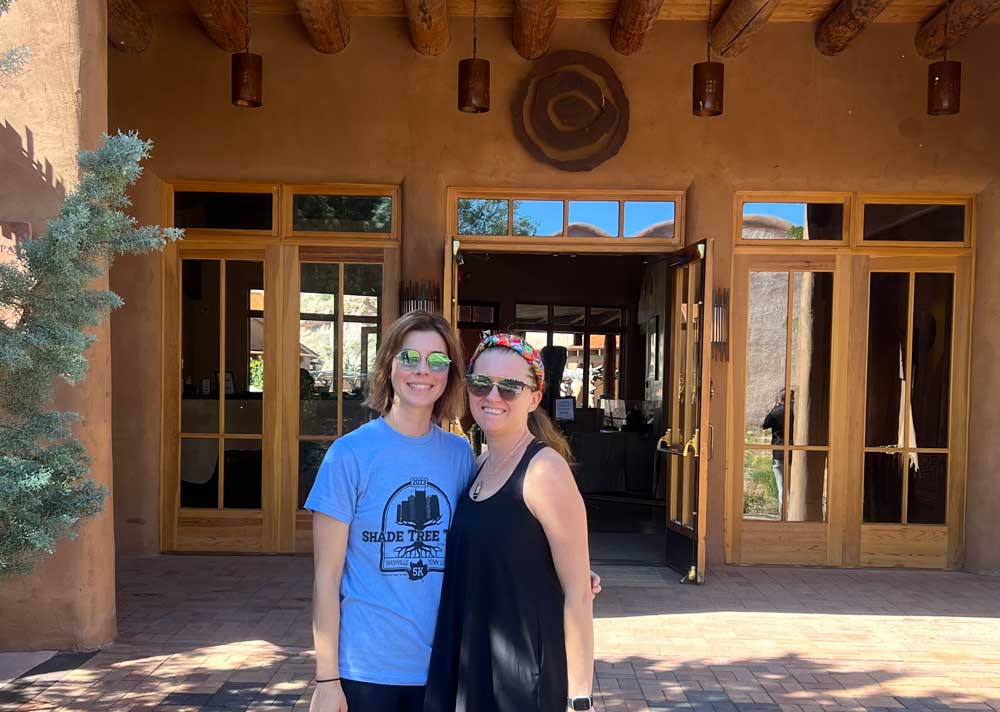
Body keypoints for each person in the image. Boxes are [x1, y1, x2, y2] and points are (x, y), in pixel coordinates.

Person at [306, 310, 472, 712]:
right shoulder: (348, 455)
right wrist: (327, 680)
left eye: (437, 360)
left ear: (449, 374)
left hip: (440, 668)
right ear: (388, 365)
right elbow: (326, 579)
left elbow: (490, 537)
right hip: (365, 670)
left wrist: (558, 567)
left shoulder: (460, 455)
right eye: (409, 357)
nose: (423, 370)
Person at [425, 333, 596, 712]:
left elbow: (579, 594)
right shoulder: (479, 464)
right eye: (481, 384)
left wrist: (579, 698)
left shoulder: (544, 471)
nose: (493, 396)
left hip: (521, 680)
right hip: (475, 663)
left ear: (534, 398)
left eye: (510, 388)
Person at [761, 388, 793, 515]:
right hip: (796, 451)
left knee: (782, 486)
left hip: (779, 451)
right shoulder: (798, 411)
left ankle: (784, 514)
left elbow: (764, 425)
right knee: (792, 486)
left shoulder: (776, 412)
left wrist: (773, 408)